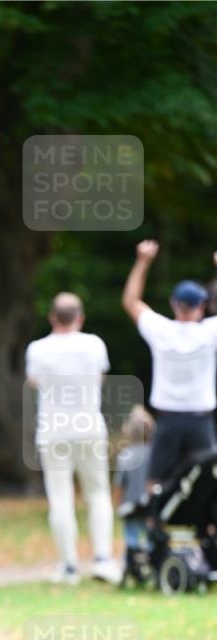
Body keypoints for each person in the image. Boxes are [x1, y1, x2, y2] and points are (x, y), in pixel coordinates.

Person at [25, 292, 121, 585]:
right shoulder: (94, 344)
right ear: (80, 317)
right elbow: (101, 377)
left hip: (54, 431)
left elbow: (33, 381)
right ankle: (103, 560)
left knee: (61, 498)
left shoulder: (38, 349)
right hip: (89, 427)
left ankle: (68, 567)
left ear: (52, 317)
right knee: (98, 494)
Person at [122, 240, 217, 484]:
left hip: (167, 418)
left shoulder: (161, 330)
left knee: (155, 479)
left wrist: (143, 262)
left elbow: (131, 301)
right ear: (202, 306)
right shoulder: (209, 333)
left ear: (174, 304)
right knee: (207, 479)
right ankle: (208, 522)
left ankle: (153, 519)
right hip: (200, 418)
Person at [114, 405, 155, 581]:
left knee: (132, 537)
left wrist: (117, 504)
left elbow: (119, 485)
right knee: (150, 537)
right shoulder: (154, 454)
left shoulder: (125, 456)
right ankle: (151, 565)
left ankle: (132, 566)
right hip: (150, 506)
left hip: (130, 507)